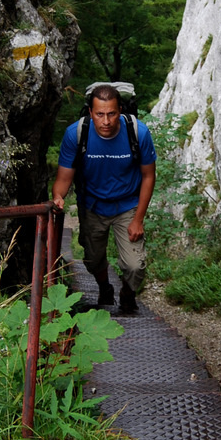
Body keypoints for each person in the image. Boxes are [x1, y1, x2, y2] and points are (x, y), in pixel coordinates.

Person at [52, 84, 157, 312]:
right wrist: (58, 197)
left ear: (120, 110)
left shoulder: (138, 132)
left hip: (128, 205)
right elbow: (64, 177)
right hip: (92, 206)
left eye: (111, 114)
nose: (106, 121)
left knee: (135, 266)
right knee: (93, 259)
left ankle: (127, 294)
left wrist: (138, 218)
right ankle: (104, 288)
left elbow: (148, 176)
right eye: (100, 114)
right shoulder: (76, 134)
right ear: (91, 112)